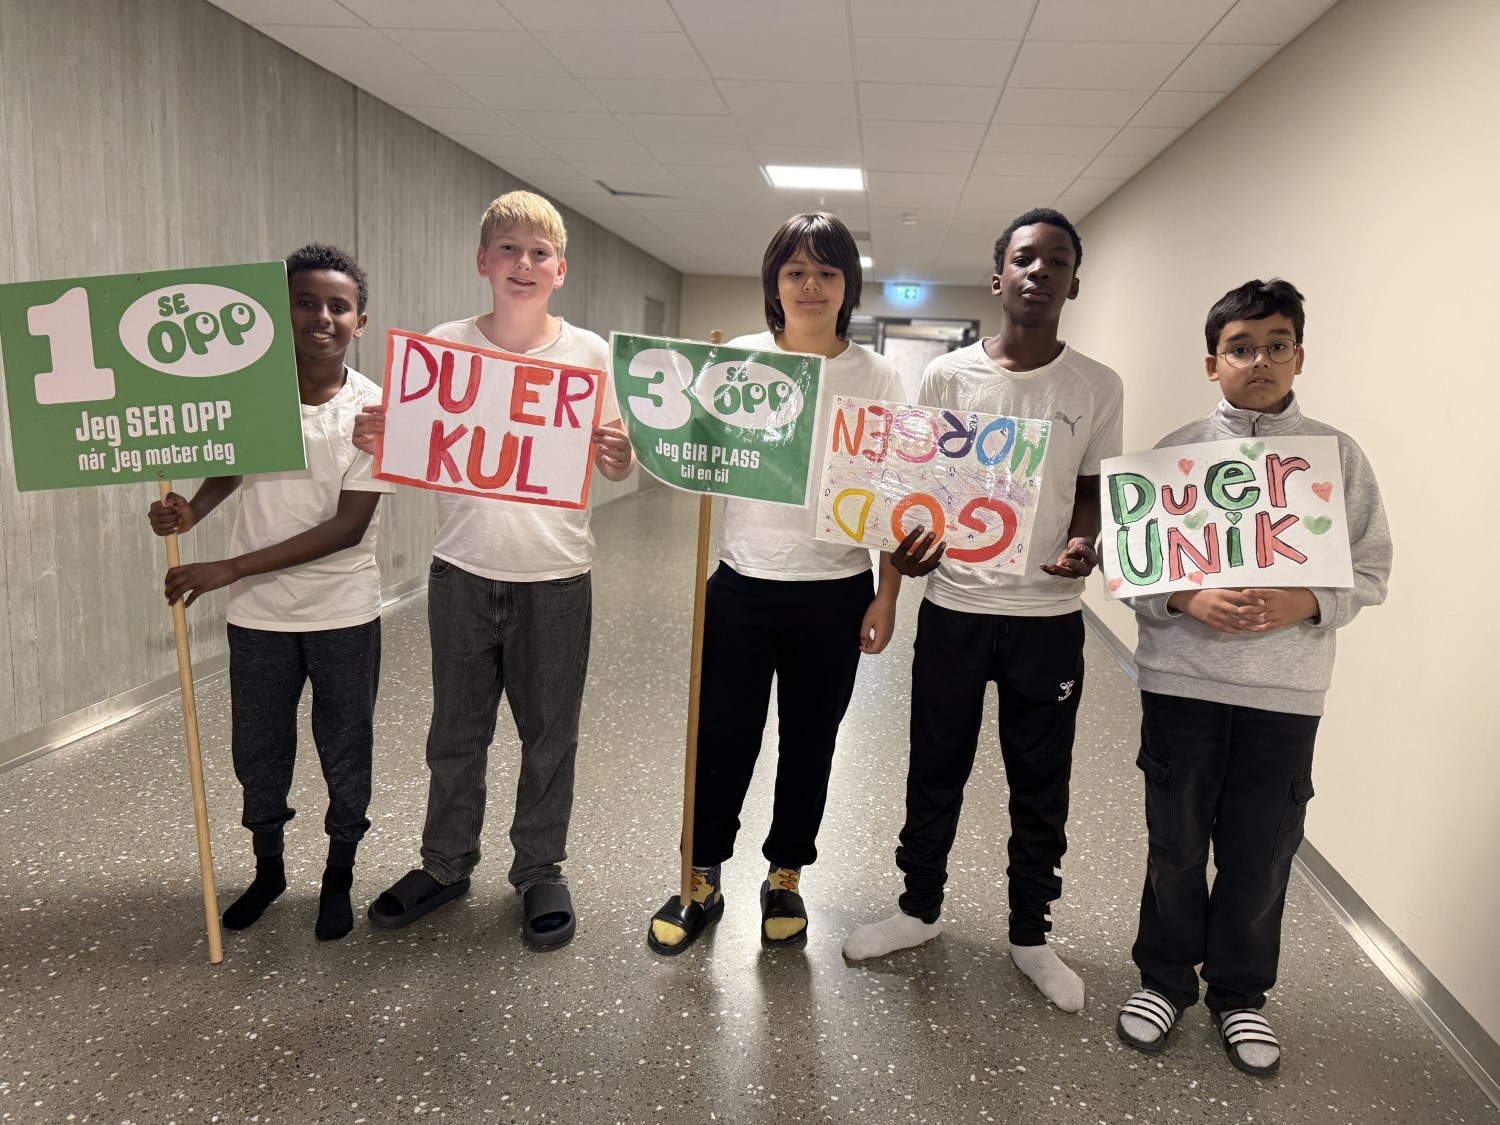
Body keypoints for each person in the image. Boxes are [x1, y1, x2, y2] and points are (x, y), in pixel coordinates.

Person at [842, 208, 1123, 1014]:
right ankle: (918, 907)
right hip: (957, 609)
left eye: (1057, 261)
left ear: (1074, 283)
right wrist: (904, 565)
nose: (1040, 272)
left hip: (1049, 619)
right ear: (998, 277)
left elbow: (1092, 491)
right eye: (1025, 259)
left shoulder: (1097, 386)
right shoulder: (948, 377)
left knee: (1041, 784)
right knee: (935, 767)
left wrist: (1084, 542)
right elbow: (916, 490)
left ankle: (1031, 932)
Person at [1114, 279, 1391, 1076]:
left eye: (1276, 345)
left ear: (1300, 355)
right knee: (1175, 843)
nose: (1259, 360)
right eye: (1240, 347)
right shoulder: (1173, 453)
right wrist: (1185, 596)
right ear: (1213, 362)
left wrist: (1307, 599)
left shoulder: (1336, 458)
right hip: (1181, 684)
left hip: (1285, 695)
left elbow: (1372, 569)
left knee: (1262, 850)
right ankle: (1165, 979)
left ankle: (1239, 993)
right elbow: (1130, 568)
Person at [353, 190, 634, 948]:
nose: (524, 263)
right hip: (463, 571)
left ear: (560, 271)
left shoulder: (589, 356)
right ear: (483, 261)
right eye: (508, 248)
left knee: (550, 736)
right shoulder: (445, 348)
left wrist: (619, 456)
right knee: (455, 731)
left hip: (557, 575)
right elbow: (413, 447)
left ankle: (540, 868)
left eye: (540, 252)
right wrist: (380, 434)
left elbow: (614, 457)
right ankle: (445, 864)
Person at [645, 213, 907, 954]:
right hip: (741, 584)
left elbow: (895, 491)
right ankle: (701, 876)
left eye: (827, 271)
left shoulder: (879, 377)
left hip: (836, 591)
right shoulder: (738, 361)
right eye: (795, 271)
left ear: (848, 285)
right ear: (774, 283)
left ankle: (785, 874)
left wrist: (888, 594)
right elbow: (693, 456)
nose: (810, 284)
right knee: (722, 740)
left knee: (810, 744)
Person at [147, 243, 393, 942]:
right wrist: (192, 512)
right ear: (281, 314)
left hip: (343, 611)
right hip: (260, 616)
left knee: (345, 746)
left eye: (338, 306)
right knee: (258, 750)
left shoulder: (376, 410)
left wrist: (229, 567)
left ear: (359, 321)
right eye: (305, 302)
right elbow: (236, 463)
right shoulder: (253, 393)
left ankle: (339, 874)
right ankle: (269, 869)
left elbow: (347, 527)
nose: (322, 317)